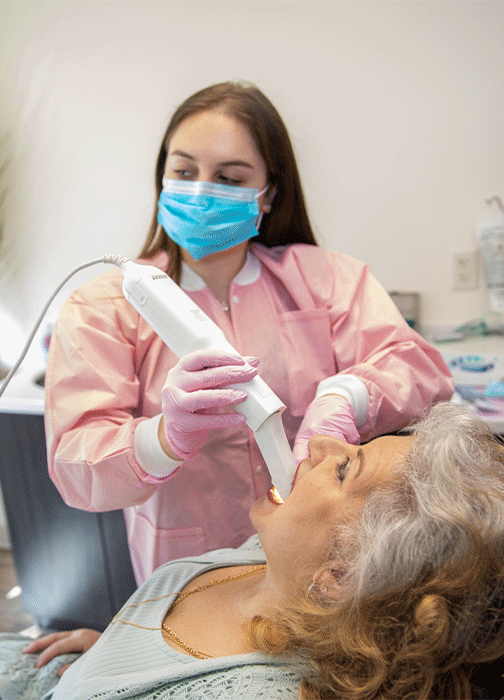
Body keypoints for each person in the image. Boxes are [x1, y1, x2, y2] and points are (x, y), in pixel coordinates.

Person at [0, 403, 504, 700]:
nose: (312, 445)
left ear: (339, 575)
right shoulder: (257, 570)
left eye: (343, 464)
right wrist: (115, 651)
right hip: (47, 665)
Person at [45, 80, 453, 583]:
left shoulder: (325, 280)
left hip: (323, 562)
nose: (200, 190)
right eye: (184, 170)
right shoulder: (103, 307)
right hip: (185, 573)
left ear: (268, 194)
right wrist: (162, 438)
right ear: (162, 177)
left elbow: (418, 367)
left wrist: (347, 398)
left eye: (230, 178)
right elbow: (74, 464)